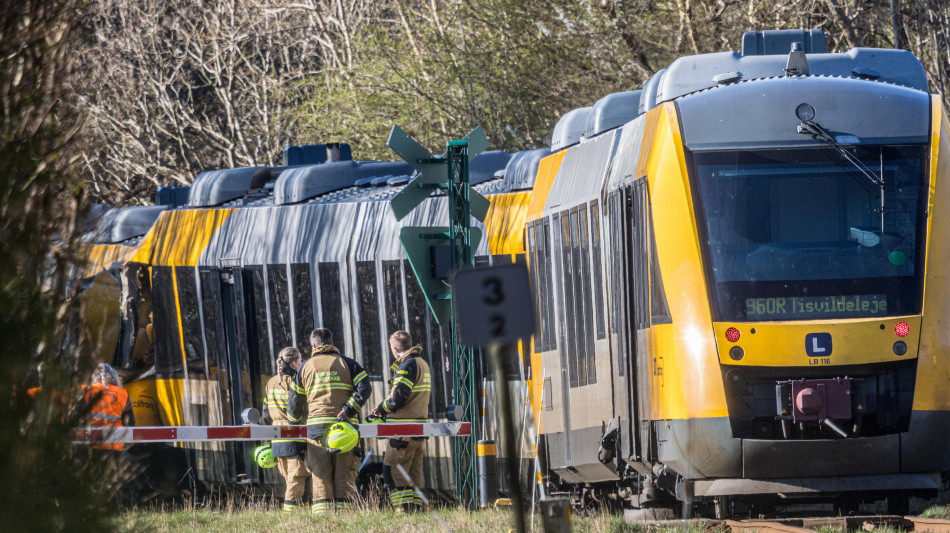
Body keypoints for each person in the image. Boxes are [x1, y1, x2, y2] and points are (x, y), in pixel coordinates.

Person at [288, 328, 371, 513]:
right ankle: (345, 515)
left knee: (320, 474)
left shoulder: (304, 367)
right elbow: (365, 387)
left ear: (313, 346)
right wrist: (349, 409)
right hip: (345, 429)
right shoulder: (349, 363)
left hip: (316, 429)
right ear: (332, 342)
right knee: (345, 473)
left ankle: (323, 517)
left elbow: (294, 401)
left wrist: (294, 425)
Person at [370, 330, 431, 512]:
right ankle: (417, 510)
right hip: (419, 429)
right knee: (412, 473)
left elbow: (398, 398)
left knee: (392, 471)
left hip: (403, 430)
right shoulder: (422, 363)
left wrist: (381, 408)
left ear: (394, 349)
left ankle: (403, 510)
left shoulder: (406, 365)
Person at [262, 347, 310, 511]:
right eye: (300, 360)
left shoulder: (271, 383)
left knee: (290, 479)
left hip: (277, 438)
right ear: (294, 363)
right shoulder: (297, 381)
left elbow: (265, 415)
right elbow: (301, 409)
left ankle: (301, 513)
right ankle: (290, 515)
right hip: (294, 437)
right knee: (296, 479)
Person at [82, 363, 134, 450]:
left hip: (90, 447)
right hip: (114, 447)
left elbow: (76, 418)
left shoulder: (85, 391)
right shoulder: (123, 394)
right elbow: (130, 423)